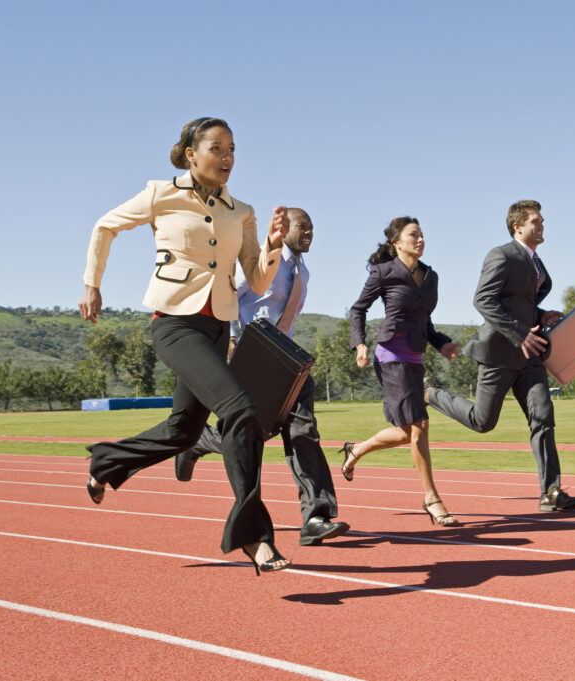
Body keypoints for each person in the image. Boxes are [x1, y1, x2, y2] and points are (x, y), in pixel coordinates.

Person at [78, 116, 292, 575]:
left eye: (233, 148)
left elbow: (256, 280)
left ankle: (107, 461)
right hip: (175, 324)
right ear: (191, 154)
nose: (228, 157)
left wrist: (272, 248)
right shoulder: (162, 194)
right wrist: (92, 284)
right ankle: (255, 537)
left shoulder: (242, 212)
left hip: (217, 326)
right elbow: (104, 227)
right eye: (218, 148)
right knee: (241, 411)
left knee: (184, 431)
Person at [174, 208, 351, 547]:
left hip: (287, 358)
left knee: (304, 431)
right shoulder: (262, 264)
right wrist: (226, 340)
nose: (310, 232)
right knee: (252, 433)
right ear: (283, 230)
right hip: (253, 356)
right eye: (303, 226)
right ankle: (198, 441)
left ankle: (316, 516)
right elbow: (223, 296)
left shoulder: (303, 270)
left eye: (313, 227)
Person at [423, 200, 575, 512]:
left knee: (543, 416)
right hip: (500, 353)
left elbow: (518, 303)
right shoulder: (501, 254)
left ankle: (551, 492)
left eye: (542, 221)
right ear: (518, 226)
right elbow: (484, 300)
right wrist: (519, 332)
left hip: (530, 355)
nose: (542, 226)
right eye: (536, 221)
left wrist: (541, 314)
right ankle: (431, 394)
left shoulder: (535, 261)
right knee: (483, 422)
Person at [341, 217, 462, 526]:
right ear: (397, 242)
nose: (420, 239)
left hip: (415, 356)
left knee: (407, 432)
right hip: (390, 355)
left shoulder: (430, 276)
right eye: (413, 235)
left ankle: (357, 449)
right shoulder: (384, 272)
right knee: (420, 425)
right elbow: (359, 309)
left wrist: (443, 344)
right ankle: (432, 498)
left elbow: (426, 321)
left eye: (422, 235)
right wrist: (360, 344)